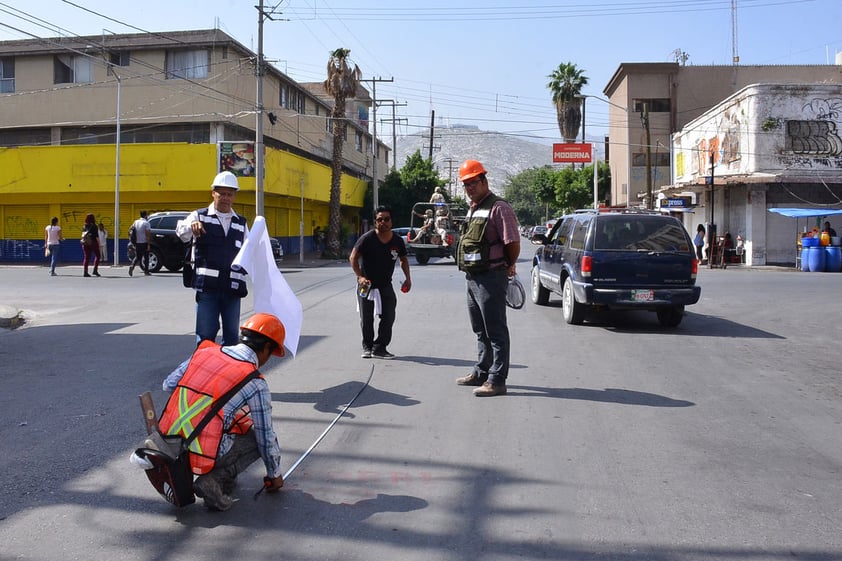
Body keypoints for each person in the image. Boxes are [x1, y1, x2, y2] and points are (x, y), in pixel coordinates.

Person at [159, 313, 286, 511]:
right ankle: (215, 480)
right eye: (270, 354)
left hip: (170, 438)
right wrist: (274, 475)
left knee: (235, 421)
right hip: (202, 449)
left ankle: (224, 478)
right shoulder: (254, 381)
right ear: (267, 348)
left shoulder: (204, 352)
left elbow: (168, 385)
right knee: (255, 438)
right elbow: (265, 436)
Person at [454, 160, 520, 397]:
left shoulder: (499, 207)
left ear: (484, 181)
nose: (469, 188)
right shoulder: (474, 207)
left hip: (492, 275)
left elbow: (512, 242)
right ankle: (482, 371)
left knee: (496, 330)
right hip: (473, 276)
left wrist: (508, 264)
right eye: (466, 184)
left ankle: (497, 380)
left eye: (473, 182)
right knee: (480, 329)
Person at [176, 171, 249, 346]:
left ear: (234, 196)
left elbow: (250, 251)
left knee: (232, 338)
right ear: (213, 193)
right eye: (221, 193)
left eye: (229, 194)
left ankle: (229, 373)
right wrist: (191, 226)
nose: (225, 198)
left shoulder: (241, 222)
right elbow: (181, 232)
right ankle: (203, 371)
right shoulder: (199, 216)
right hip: (207, 289)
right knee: (205, 337)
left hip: (232, 289)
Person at [349, 205, 412, 359]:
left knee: (389, 315)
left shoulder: (397, 241)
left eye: (386, 219)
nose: (383, 222)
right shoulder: (367, 238)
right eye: (379, 219)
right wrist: (360, 277)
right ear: (375, 222)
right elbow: (353, 257)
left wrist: (408, 279)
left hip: (385, 285)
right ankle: (368, 347)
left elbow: (403, 259)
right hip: (367, 285)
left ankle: (380, 347)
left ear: (392, 221)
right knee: (366, 317)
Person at [128, 210, 151, 277]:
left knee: (138, 256)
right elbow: (148, 234)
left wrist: (132, 240)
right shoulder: (146, 223)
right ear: (145, 215)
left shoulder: (136, 222)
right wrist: (149, 244)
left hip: (137, 243)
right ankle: (146, 271)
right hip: (144, 242)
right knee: (146, 257)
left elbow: (130, 230)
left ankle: (132, 265)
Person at [81, 213, 100, 277]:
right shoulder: (94, 226)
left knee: (86, 257)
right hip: (93, 242)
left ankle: (85, 272)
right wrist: (99, 244)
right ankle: (95, 270)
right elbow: (96, 236)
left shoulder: (84, 226)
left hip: (85, 243)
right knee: (98, 256)